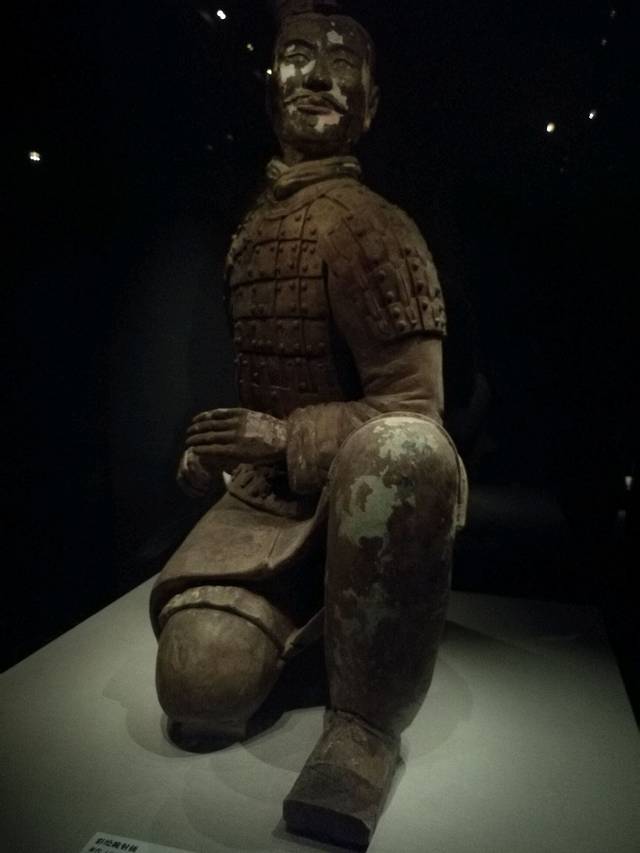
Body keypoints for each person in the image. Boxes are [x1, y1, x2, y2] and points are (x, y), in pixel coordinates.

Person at [150, 1, 467, 846]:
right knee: (197, 684)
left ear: (369, 104)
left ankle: (363, 724)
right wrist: (224, 458)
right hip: (270, 510)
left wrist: (281, 438)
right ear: (269, 86)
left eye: (342, 64)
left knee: (409, 453)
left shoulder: (375, 227)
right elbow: (271, 384)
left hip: (360, 506)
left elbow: (415, 411)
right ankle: (320, 624)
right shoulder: (252, 230)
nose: (319, 77)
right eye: (297, 56)